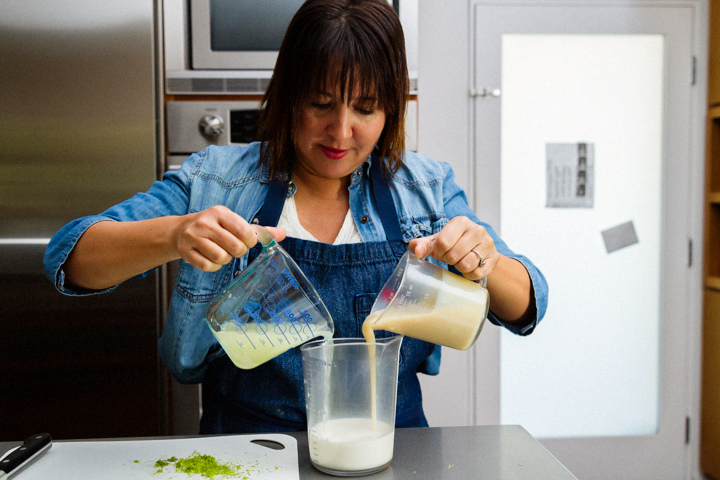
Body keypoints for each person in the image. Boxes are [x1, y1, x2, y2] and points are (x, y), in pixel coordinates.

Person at [44, 0, 547, 434]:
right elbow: (69, 258)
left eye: (366, 109)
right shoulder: (216, 179)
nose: (341, 131)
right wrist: (175, 233)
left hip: (392, 442)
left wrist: (485, 260)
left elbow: (530, 302)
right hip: (244, 442)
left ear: (391, 110)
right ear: (288, 98)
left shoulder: (426, 189)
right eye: (321, 104)